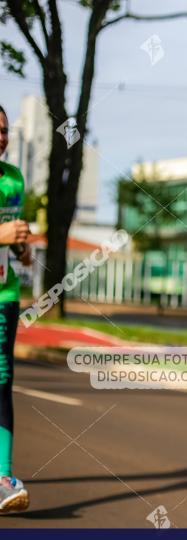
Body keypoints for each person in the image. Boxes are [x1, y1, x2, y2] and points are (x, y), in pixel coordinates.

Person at [0, 103, 33, 514]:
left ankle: (3, 477)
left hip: (4, 295)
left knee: (2, 380)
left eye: (5, 130)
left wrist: (21, 243)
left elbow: (16, 243)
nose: (2, 137)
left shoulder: (13, 179)